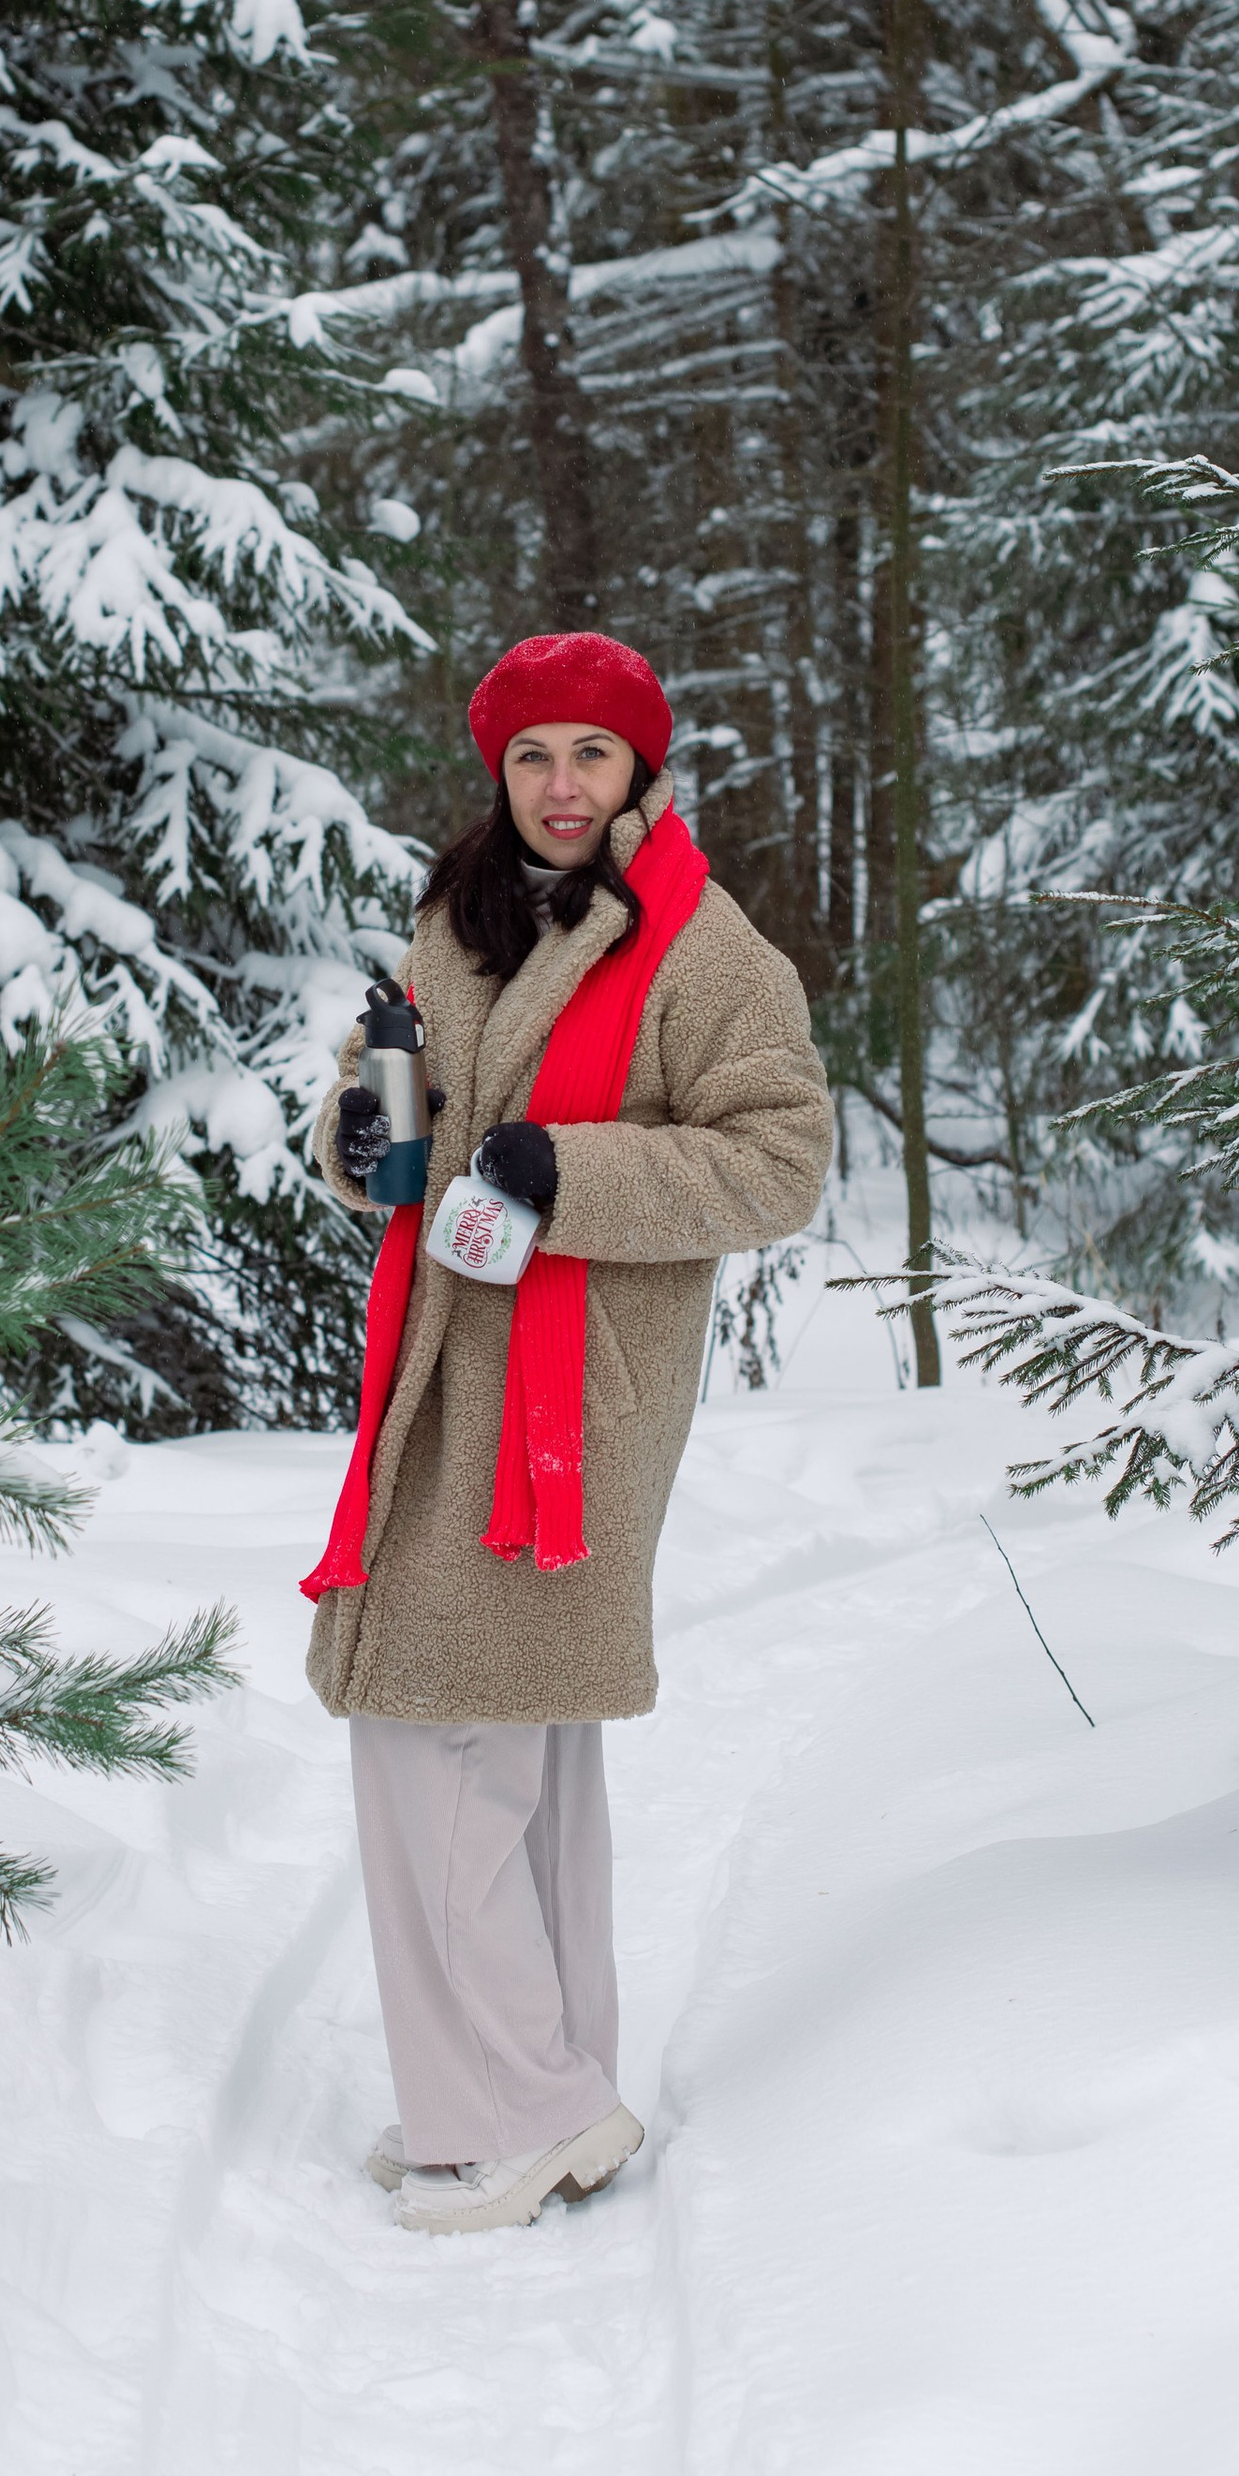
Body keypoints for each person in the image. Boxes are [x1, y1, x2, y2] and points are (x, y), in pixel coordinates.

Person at [304, 631, 833, 2234]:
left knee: (442, 1726)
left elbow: (783, 1158)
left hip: (570, 1393)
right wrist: (357, 1133)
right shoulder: (457, 920)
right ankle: (526, 2088)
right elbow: (382, 1116)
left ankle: (524, 2107)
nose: (558, 787)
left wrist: (570, 1178)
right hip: (442, 1370)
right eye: (531, 757)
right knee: (507, 1743)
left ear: (641, 772)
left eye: (589, 757)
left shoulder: (700, 944)